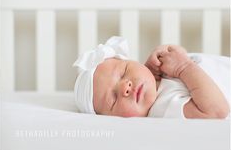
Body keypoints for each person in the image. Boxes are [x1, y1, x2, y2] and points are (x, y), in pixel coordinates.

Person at [73, 37, 230, 118]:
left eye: (124, 72)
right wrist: (183, 67)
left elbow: (184, 54)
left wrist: (166, 52)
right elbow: (217, 112)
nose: (124, 87)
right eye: (113, 99)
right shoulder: (164, 107)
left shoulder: (158, 73)